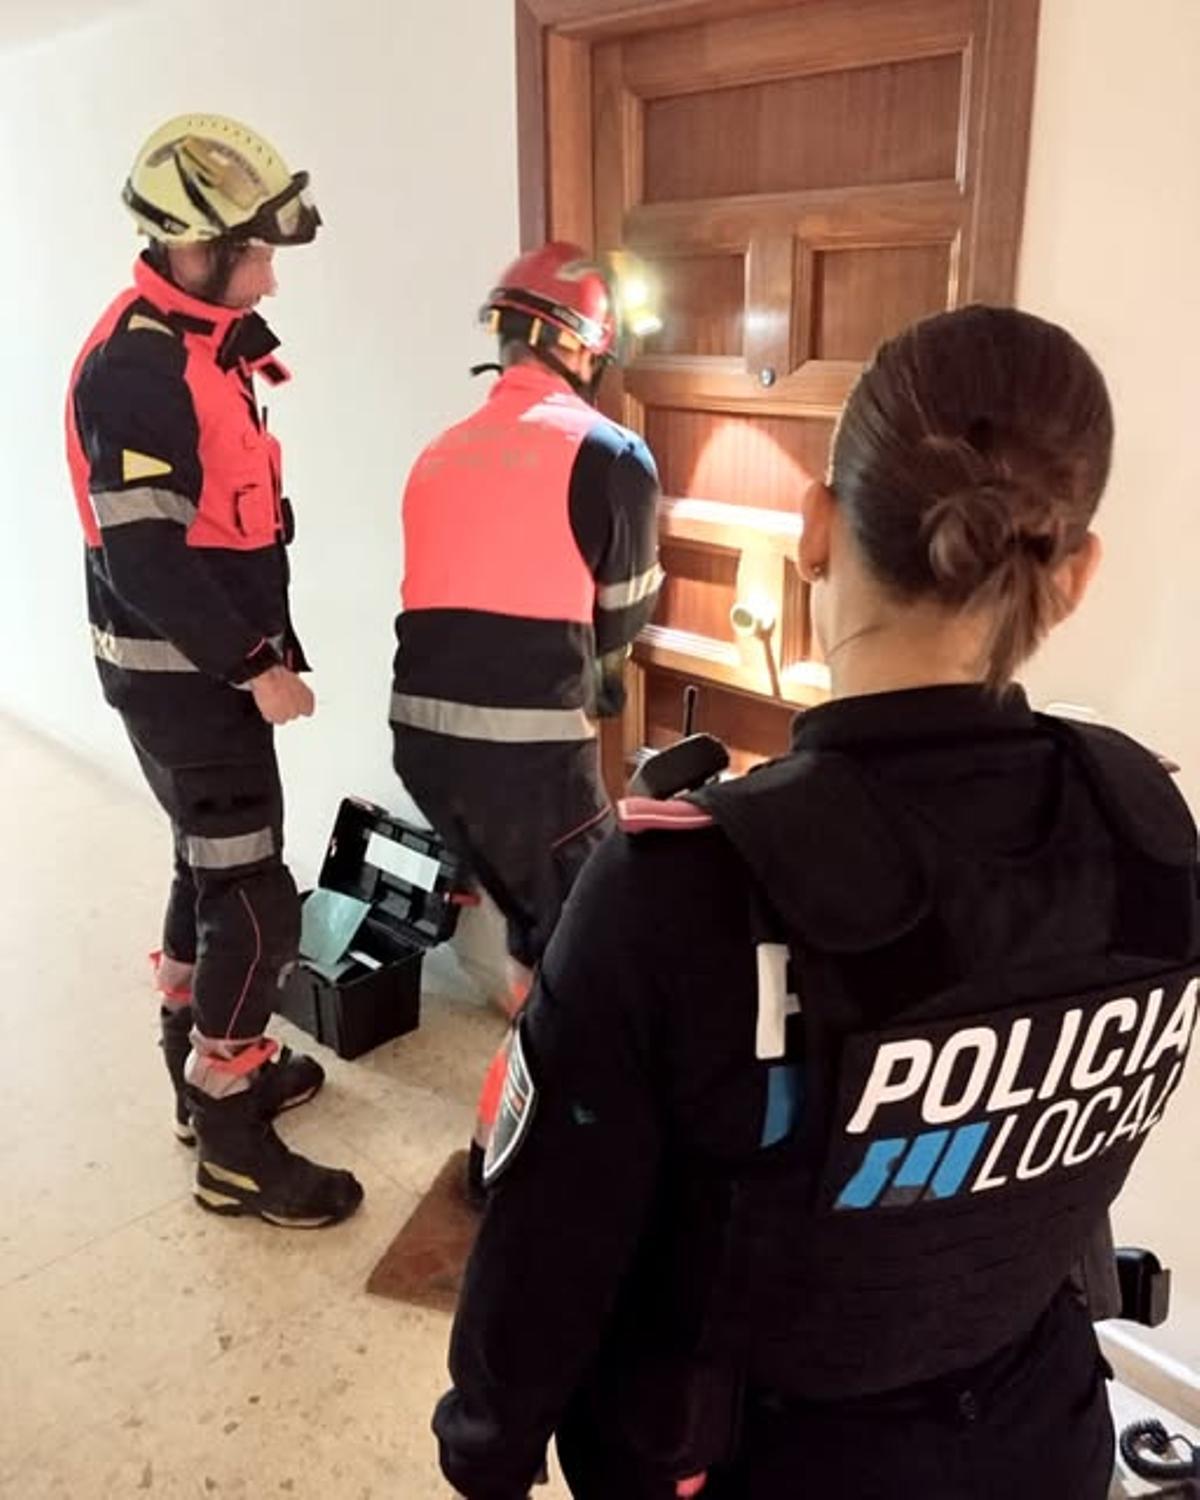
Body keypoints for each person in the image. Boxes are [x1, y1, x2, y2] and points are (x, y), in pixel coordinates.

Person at [432, 304, 1200, 1498]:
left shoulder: (675, 891)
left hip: (758, 1465)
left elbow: (548, 1253)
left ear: (816, 530)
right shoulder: (1151, 840)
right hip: (1042, 1443)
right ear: (1078, 573)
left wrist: (486, 1444)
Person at [65, 113, 362, 1228]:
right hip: (186, 682)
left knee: (207, 865)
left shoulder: (194, 341)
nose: (273, 273)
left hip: (195, 676)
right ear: (197, 248)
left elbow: (224, 527)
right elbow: (144, 554)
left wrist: (265, 646)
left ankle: (199, 1078)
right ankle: (233, 1141)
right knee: (253, 897)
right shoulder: (138, 367)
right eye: (258, 250)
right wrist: (253, 668)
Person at [390, 241, 663, 1189]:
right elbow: (622, 611)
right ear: (584, 346)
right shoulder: (611, 452)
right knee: (583, 941)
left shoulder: (439, 450)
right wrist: (608, 668)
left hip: (424, 751)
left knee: (533, 909)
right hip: (526, 756)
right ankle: (509, 1157)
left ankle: (527, 1055)